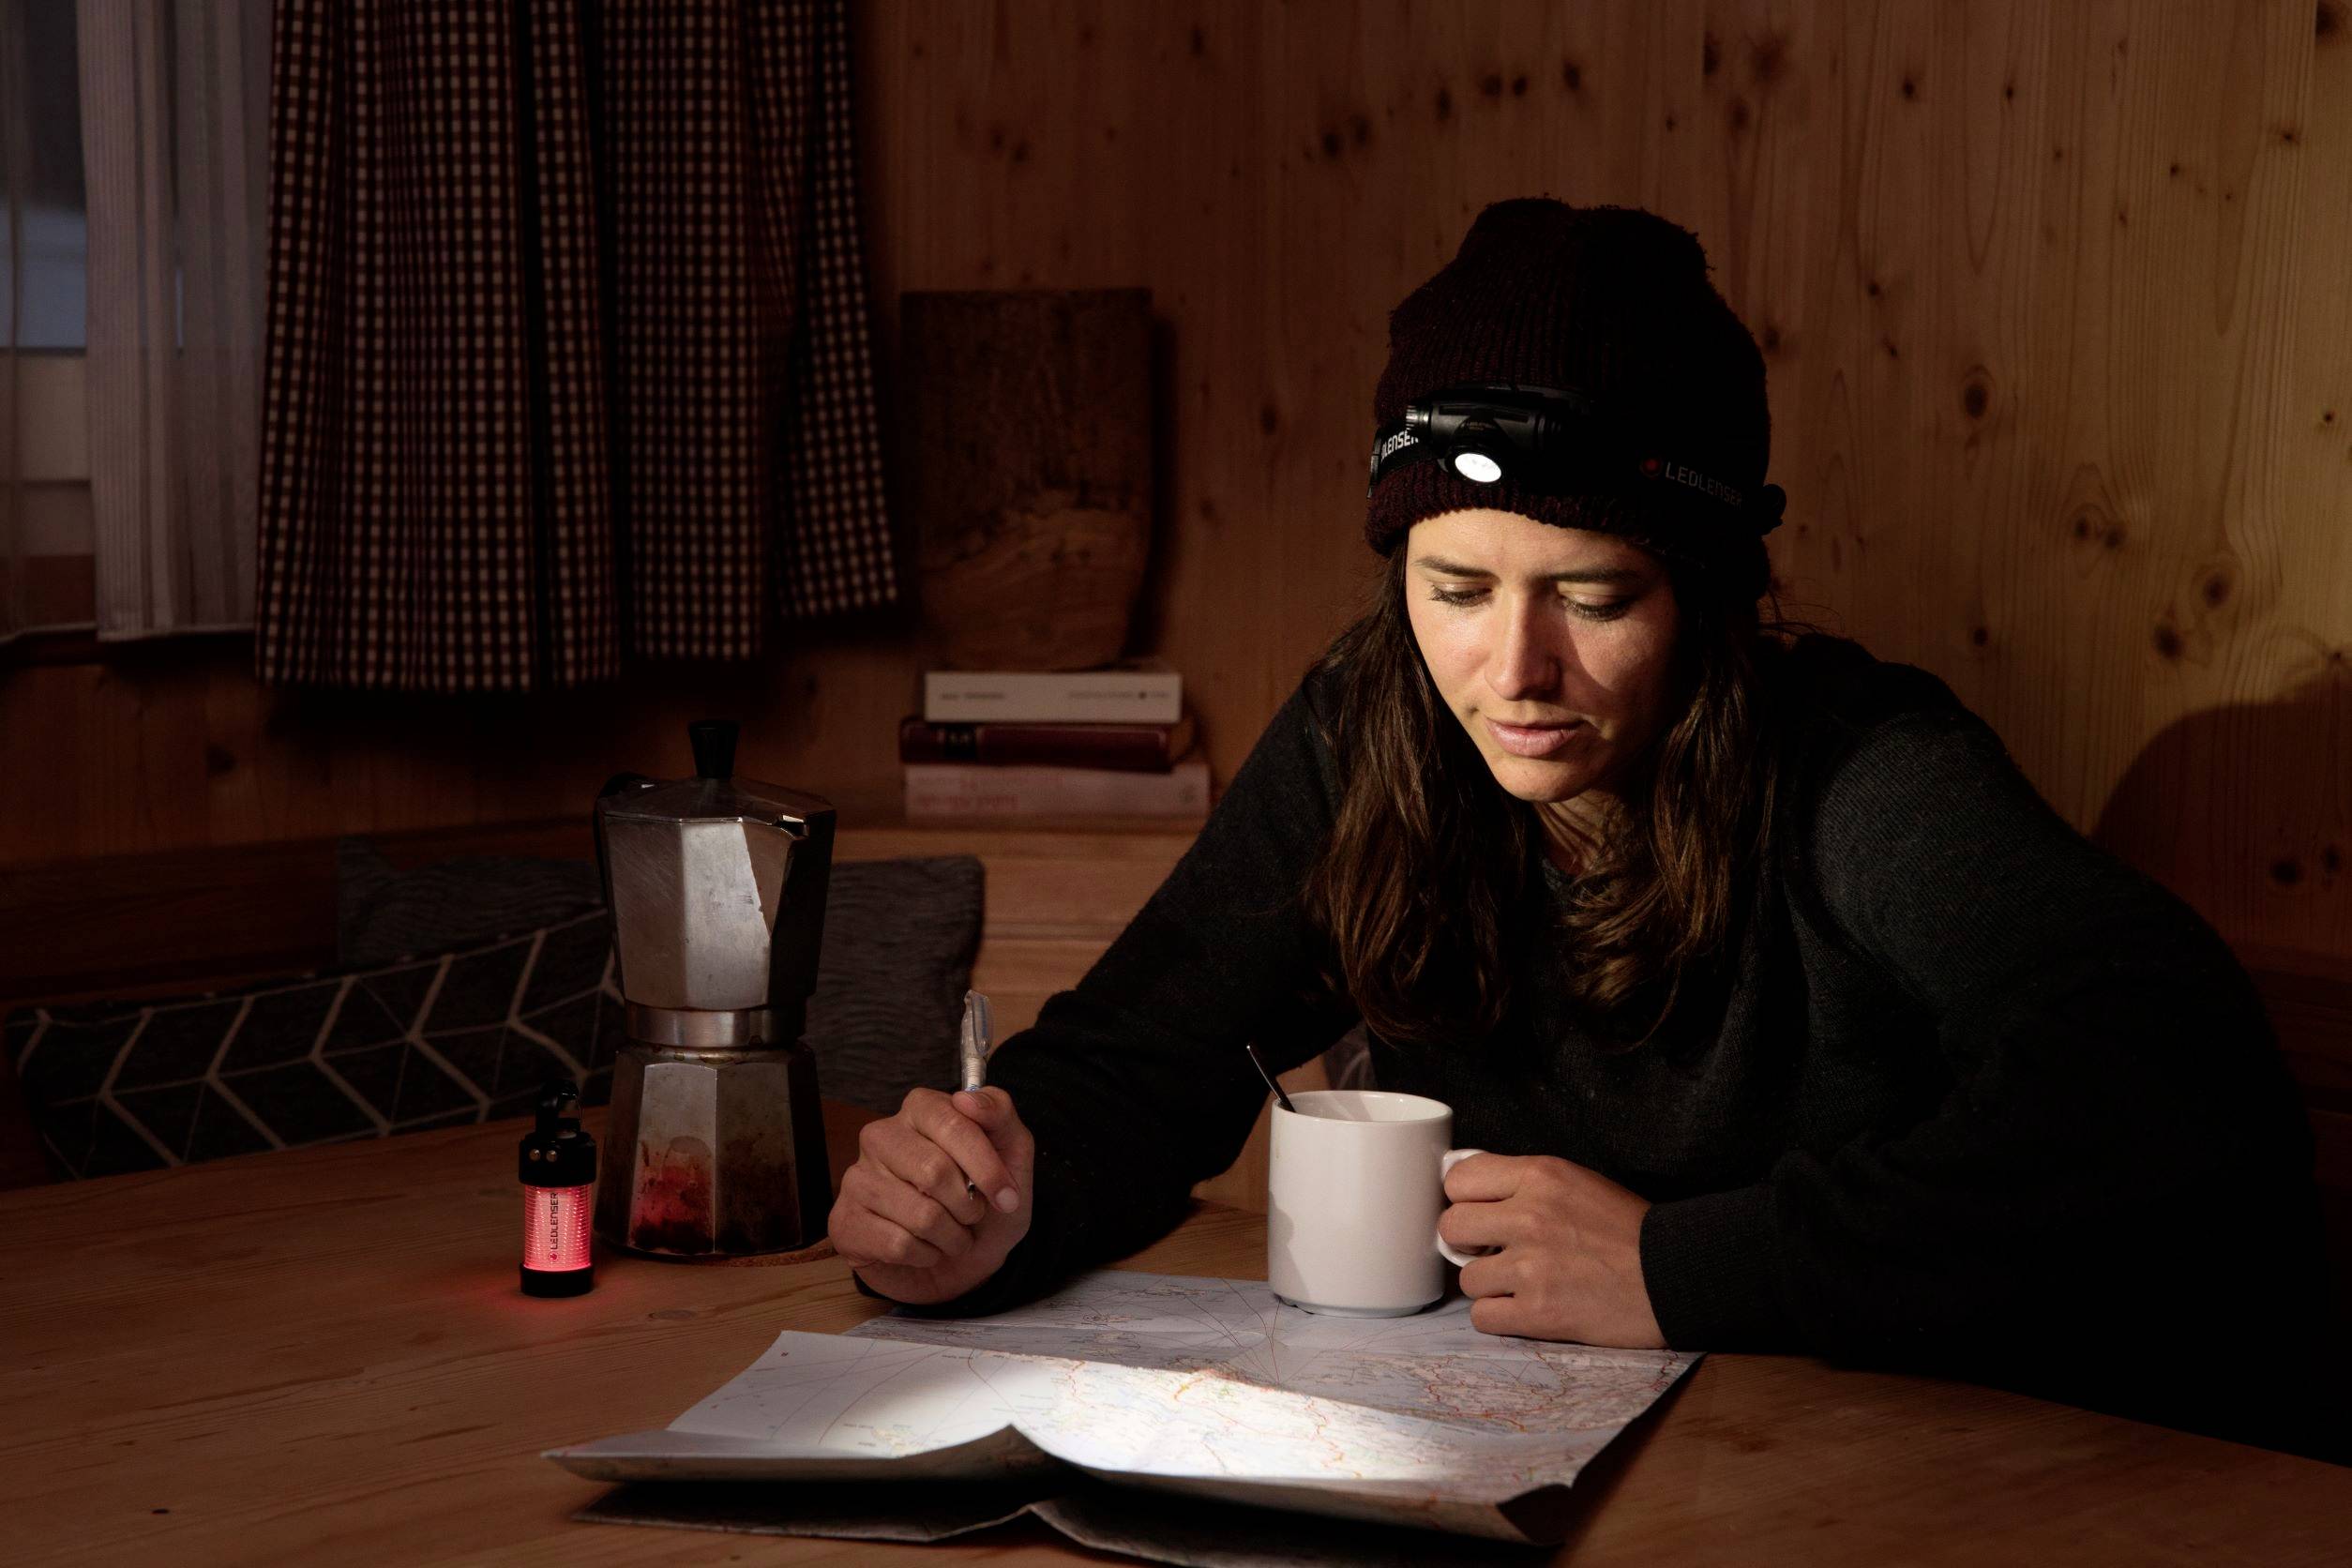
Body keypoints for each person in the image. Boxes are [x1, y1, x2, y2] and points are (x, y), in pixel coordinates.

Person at [827, 199, 2337, 1458]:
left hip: (1973, 1475)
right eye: (1455, 590)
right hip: (1575, 1465)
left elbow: (2183, 1088)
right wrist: (986, 1205)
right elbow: (1137, 1066)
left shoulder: (1863, 772)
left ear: (1713, 596)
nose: (1514, 674)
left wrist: (1682, 1267)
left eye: (1596, 598)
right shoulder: (1378, 728)